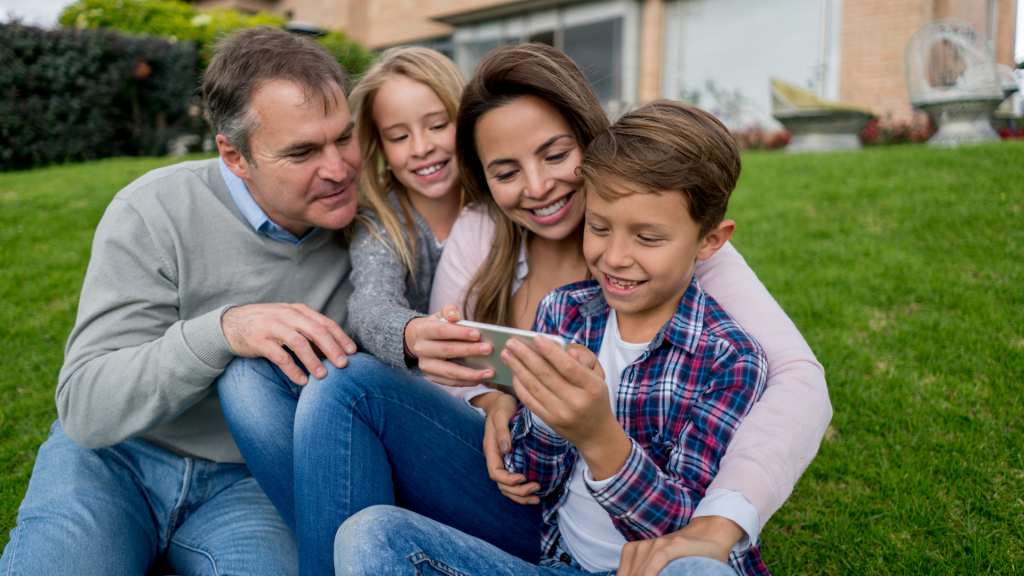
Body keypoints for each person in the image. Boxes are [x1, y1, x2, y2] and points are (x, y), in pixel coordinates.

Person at [427, 42, 831, 571]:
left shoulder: (705, 291)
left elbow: (798, 378)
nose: (538, 185)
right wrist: (503, 399)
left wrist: (717, 522)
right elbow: (457, 367)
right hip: (552, 533)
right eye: (506, 172)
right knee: (349, 403)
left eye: (554, 155)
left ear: (592, 143)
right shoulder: (553, 299)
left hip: (651, 543)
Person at [333, 100, 768, 576]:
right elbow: (533, 479)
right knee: (371, 533)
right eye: (599, 228)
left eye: (648, 238)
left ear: (710, 241)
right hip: (558, 563)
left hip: (661, 568)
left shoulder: (729, 359)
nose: (615, 257)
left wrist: (600, 437)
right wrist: (539, 413)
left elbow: (687, 531)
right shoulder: (564, 312)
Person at [0, 27, 363, 575]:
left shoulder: (374, 226)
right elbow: (85, 407)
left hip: (251, 483)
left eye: (345, 137)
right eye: (303, 152)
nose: (338, 169)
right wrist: (221, 331)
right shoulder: (152, 211)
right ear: (234, 156)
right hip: (120, 458)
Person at [216, 46, 529, 576]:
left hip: (493, 436)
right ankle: (348, 546)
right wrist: (411, 333)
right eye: (399, 135)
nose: (423, 148)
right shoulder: (383, 220)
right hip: (419, 421)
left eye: (437, 125)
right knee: (244, 379)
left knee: (347, 380)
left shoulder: (509, 200)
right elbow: (371, 305)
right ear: (377, 145)